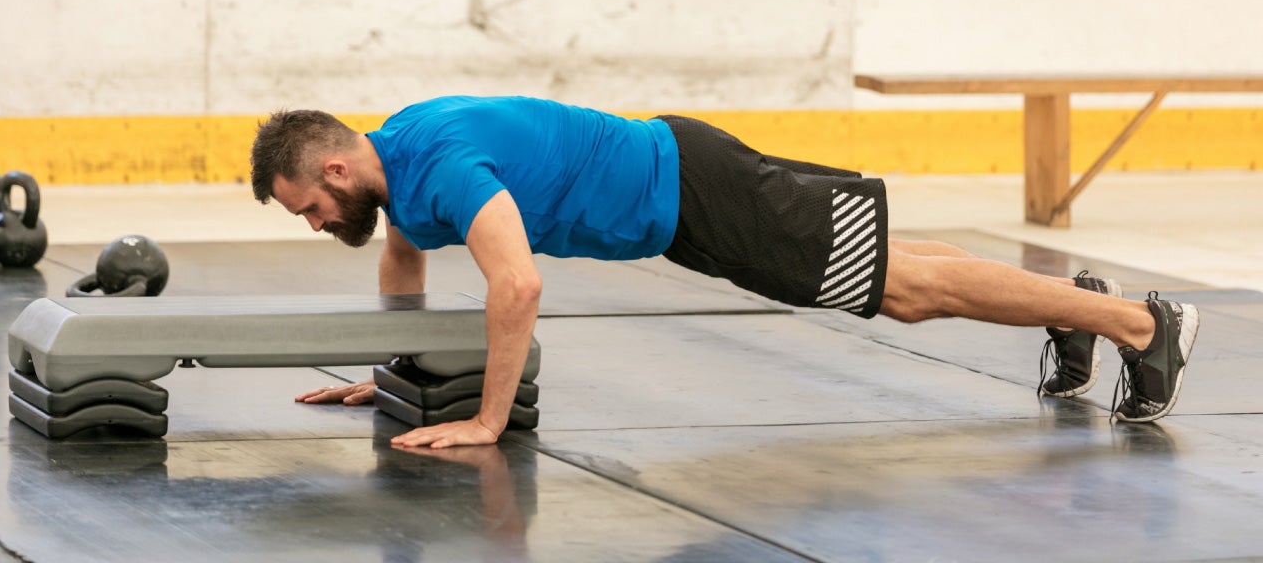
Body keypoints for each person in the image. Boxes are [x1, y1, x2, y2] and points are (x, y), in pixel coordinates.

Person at [253, 96, 1199, 449]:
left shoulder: (441, 166)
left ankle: (1146, 328)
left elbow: (520, 285)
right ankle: (1079, 307)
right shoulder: (400, 167)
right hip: (683, 190)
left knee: (905, 293)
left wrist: (488, 422)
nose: (316, 222)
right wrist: (389, 377)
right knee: (901, 272)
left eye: (310, 206)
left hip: (694, 193)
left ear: (335, 169)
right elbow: (404, 259)